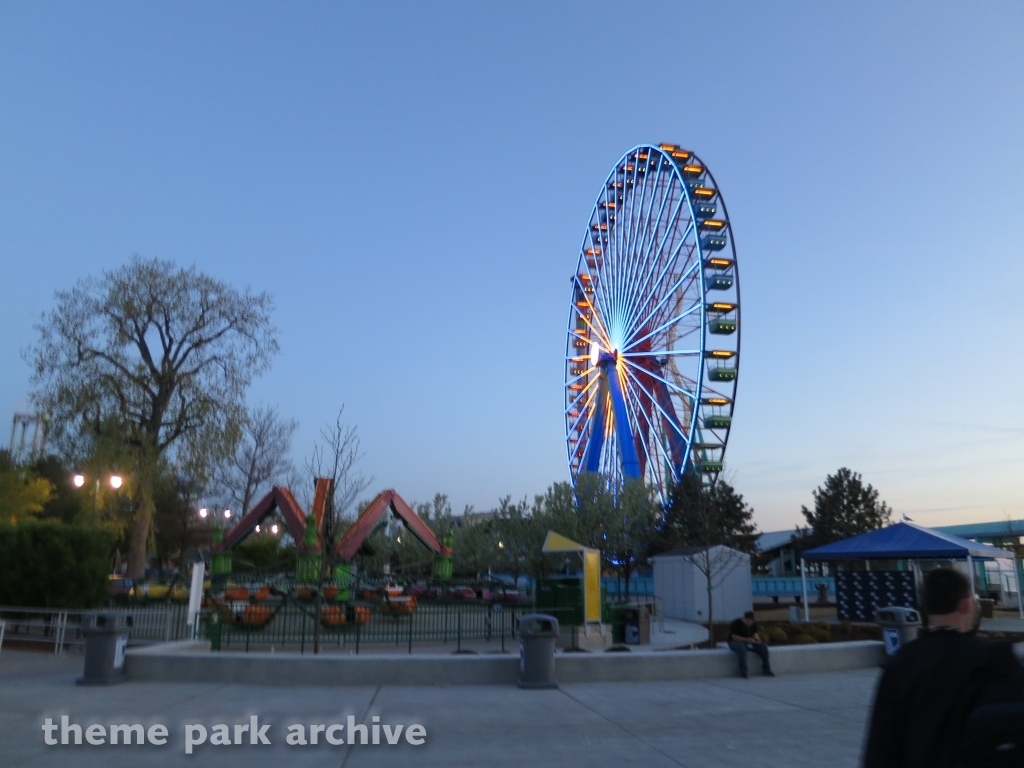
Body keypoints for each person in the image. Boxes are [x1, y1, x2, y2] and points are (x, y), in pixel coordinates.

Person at [863, 567, 1024, 768]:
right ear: (966, 605)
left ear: (926, 607)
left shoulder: (902, 661)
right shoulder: (995, 657)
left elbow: (881, 745)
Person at [728, 611, 774, 678]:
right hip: (734, 642)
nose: (749, 623)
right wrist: (748, 640)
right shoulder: (736, 623)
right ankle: (743, 671)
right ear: (744, 619)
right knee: (742, 648)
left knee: (763, 647)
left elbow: (755, 634)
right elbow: (735, 637)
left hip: (748, 642)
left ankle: (766, 669)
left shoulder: (753, 624)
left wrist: (757, 640)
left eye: (751, 622)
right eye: (748, 621)